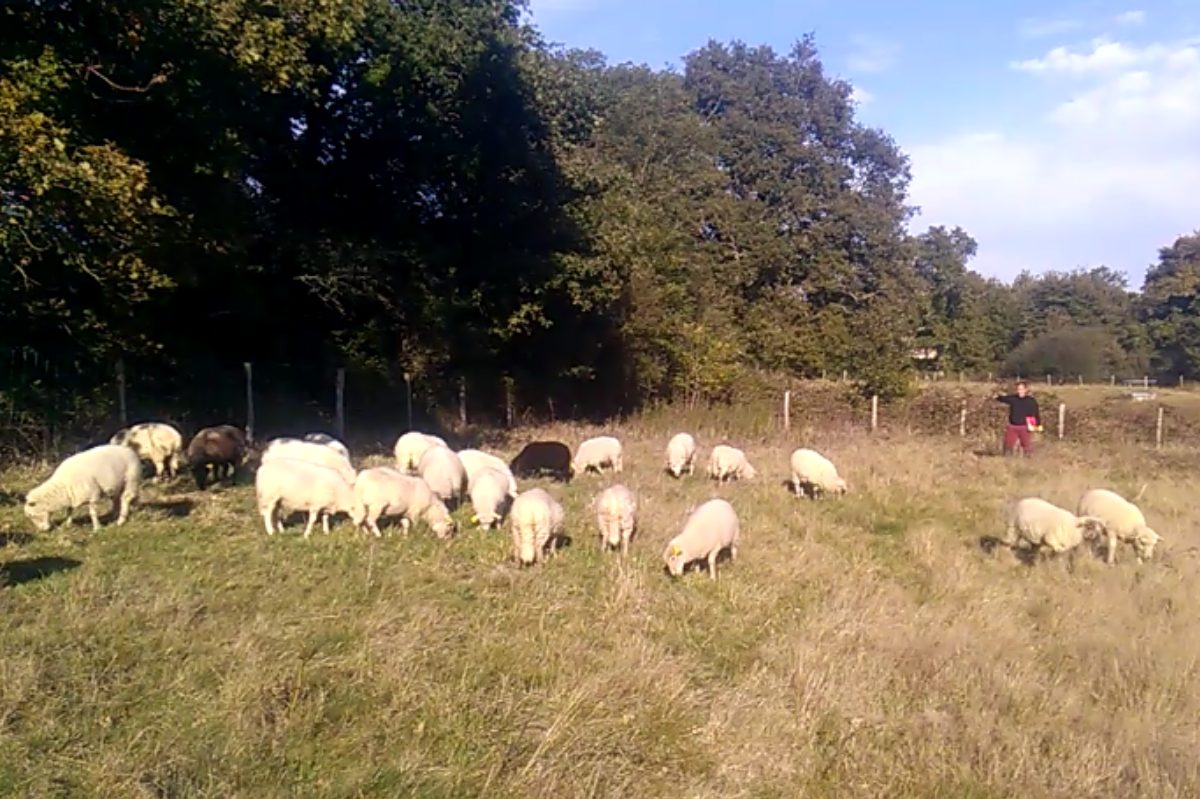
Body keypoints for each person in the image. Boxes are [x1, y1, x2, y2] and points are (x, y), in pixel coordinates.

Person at [995, 381, 1042, 456]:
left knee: (1026, 446)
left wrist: (1037, 425)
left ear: (1026, 390)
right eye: (1018, 389)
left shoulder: (1031, 401)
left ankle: (1029, 460)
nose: (1020, 391)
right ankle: (1007, 459)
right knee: (1008, 444)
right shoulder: (1013, 398)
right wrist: (997, 397)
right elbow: (1004, 398)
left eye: (1022, 389)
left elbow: (1036, 413)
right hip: (1013, 426)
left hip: (1025, 426)